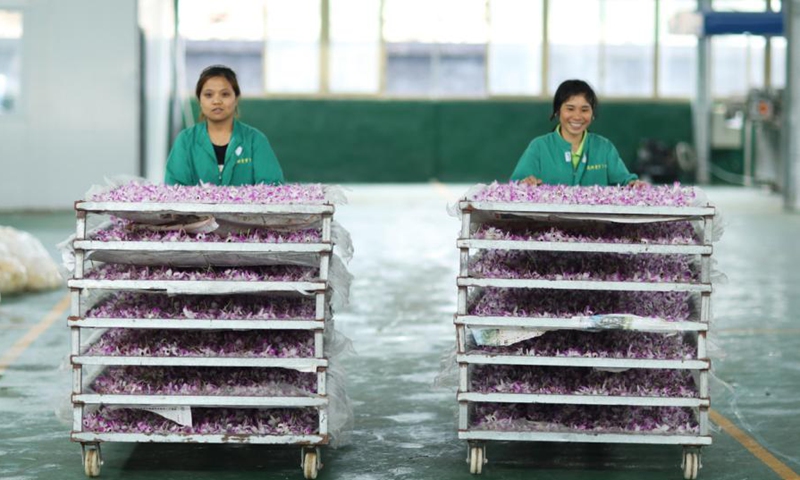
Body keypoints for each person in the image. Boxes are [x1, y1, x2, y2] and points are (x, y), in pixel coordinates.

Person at [510, 79, 646, 187]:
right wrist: (524, 183)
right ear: (557, 111)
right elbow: (517, 185)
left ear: (592, 113)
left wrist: (633, 185)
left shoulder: (604, 148)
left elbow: (625, 182)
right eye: (570, 109)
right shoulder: (539, 147)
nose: (577, 116)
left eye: (584, 110)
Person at [165, 65, 284, 186]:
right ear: (200, 100)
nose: (217, 101)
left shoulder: (255, 140)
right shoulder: (185, 141)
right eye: (208, 95)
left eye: (225, 94)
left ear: (236, 98)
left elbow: (272, 187)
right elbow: (174, 189)